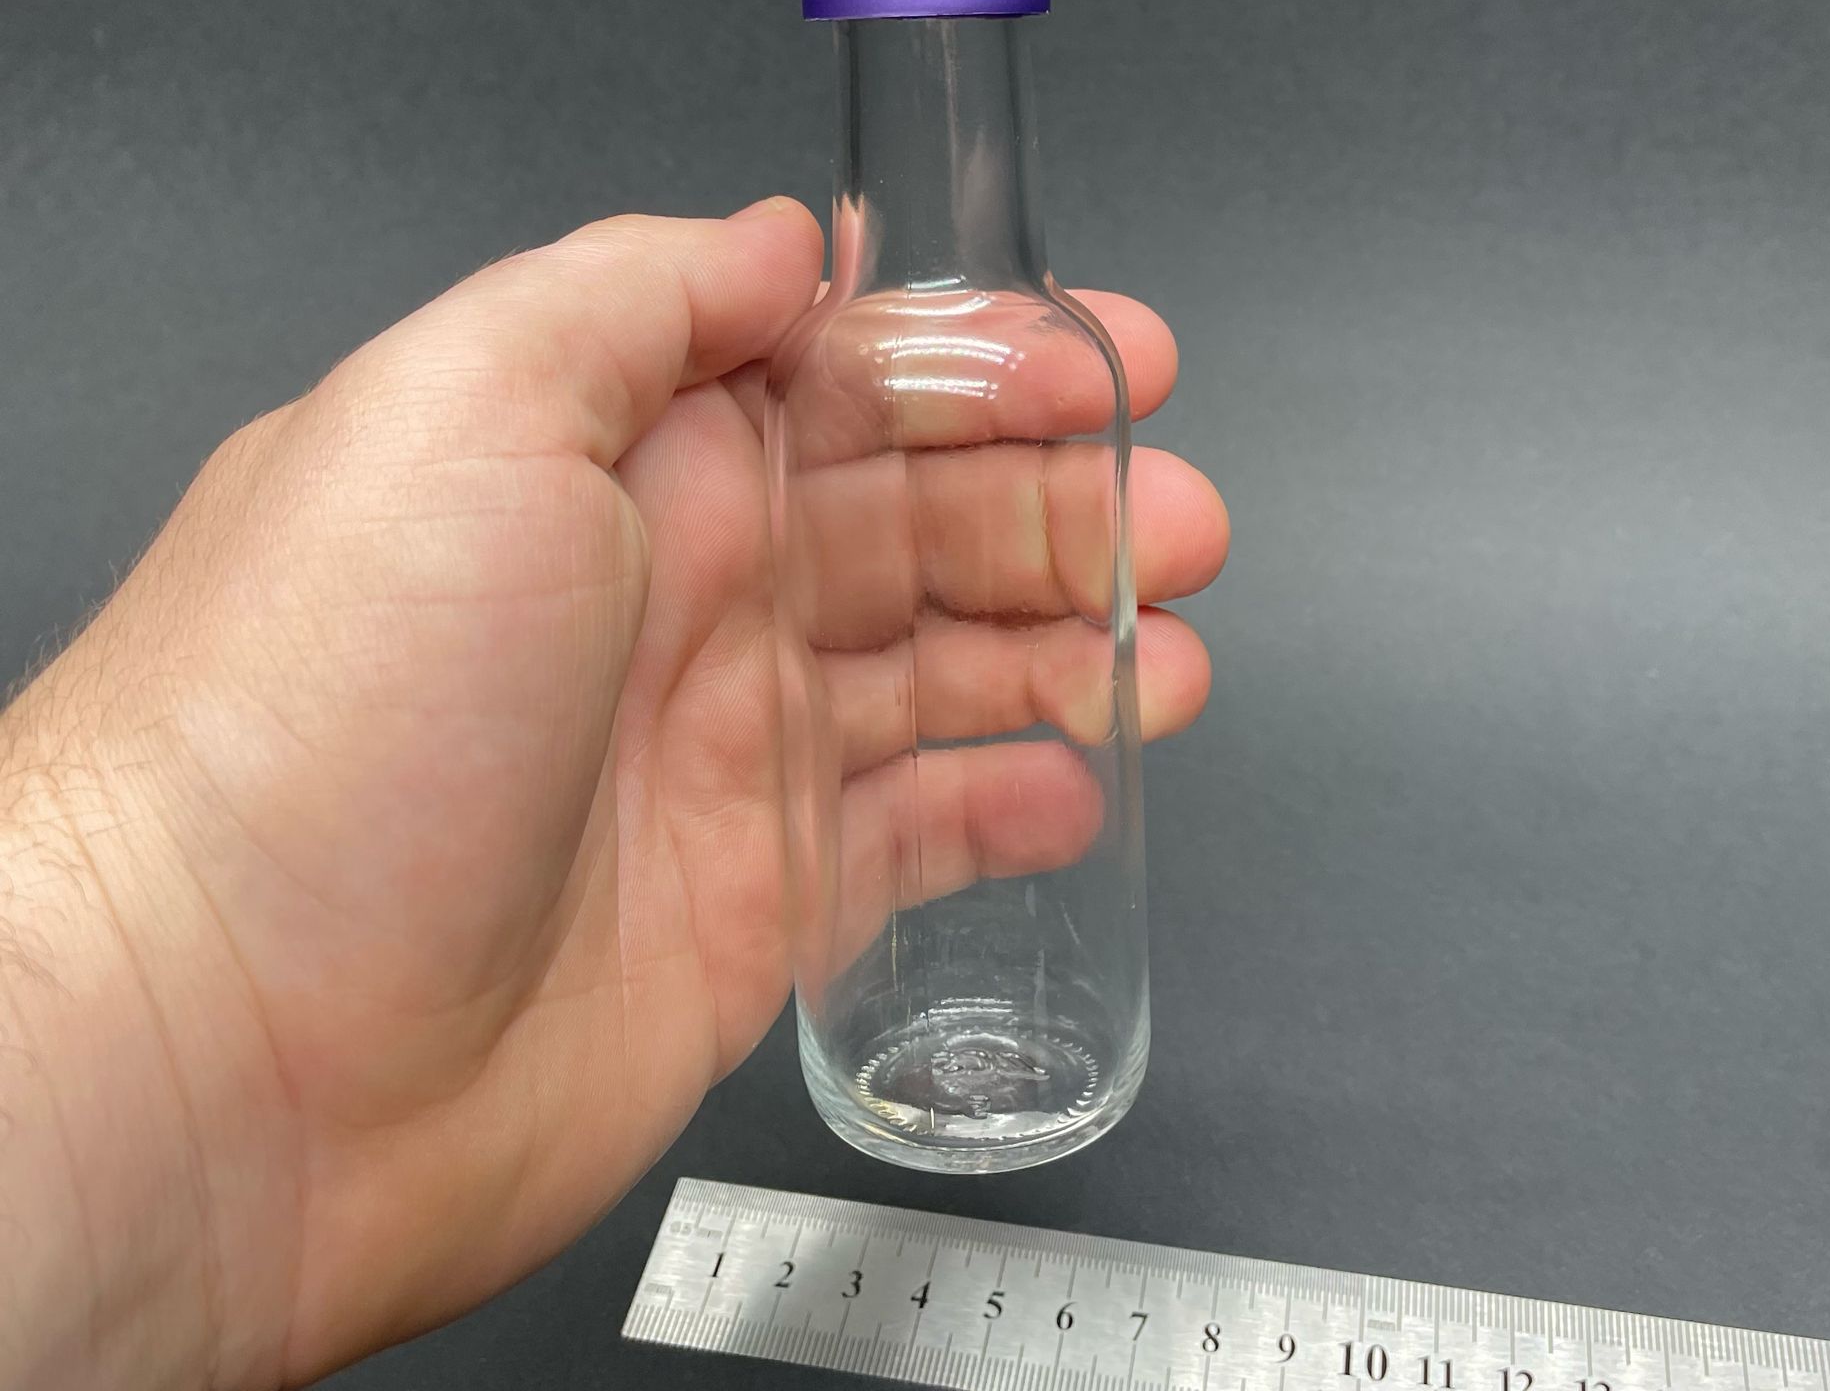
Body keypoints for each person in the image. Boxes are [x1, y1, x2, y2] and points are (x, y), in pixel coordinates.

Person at [0, 202, 1230, 1391]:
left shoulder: (1048, 350)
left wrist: (154, 978)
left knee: (1051, 750)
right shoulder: (823, 366)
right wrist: (163, 941)